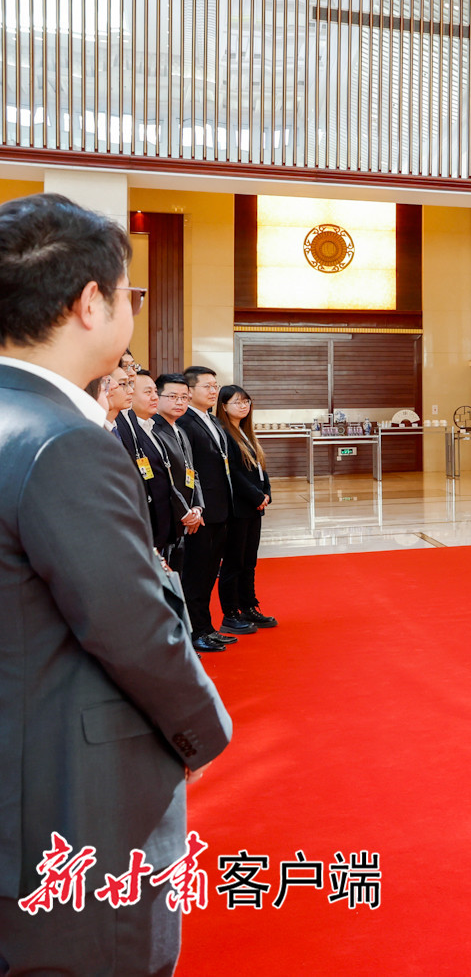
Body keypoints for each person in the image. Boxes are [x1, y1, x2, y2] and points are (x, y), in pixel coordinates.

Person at [0, 192, 231, 974]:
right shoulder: (63, 441)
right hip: (64, 800)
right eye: (131, 293)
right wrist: (199, 727)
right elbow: (130, 623)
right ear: (90, 302)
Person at [178, 364, 251, 641]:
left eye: (215, 386)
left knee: (209, 573)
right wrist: (195, 506)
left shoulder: (212, 420)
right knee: (196, 574)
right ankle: (197, 630)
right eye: (207, 386)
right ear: (190, 390)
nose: (213, 391)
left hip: (221, 509)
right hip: (203, 510)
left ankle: (207, 627)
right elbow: (188, 470)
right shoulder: (185, 422)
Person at [217, 383, 278, 631]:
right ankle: (231, 613)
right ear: (223, 406)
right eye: (237, 402)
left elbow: (259, 469)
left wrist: (266, 492)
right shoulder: (224, 433)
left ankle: (249, 606)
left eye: (246, 401)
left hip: (253, 506)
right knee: (234, 561)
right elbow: (232, 471)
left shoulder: (244, 432)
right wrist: (255, 495)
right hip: (238, 506)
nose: (243, 406)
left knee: (249, 560)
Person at [115, 368, 187, 568]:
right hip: (146, 526)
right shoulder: (125, 430)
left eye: (155, 391)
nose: (155, 397)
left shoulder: (152, 428)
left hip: (163, 523)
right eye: (148, 392)